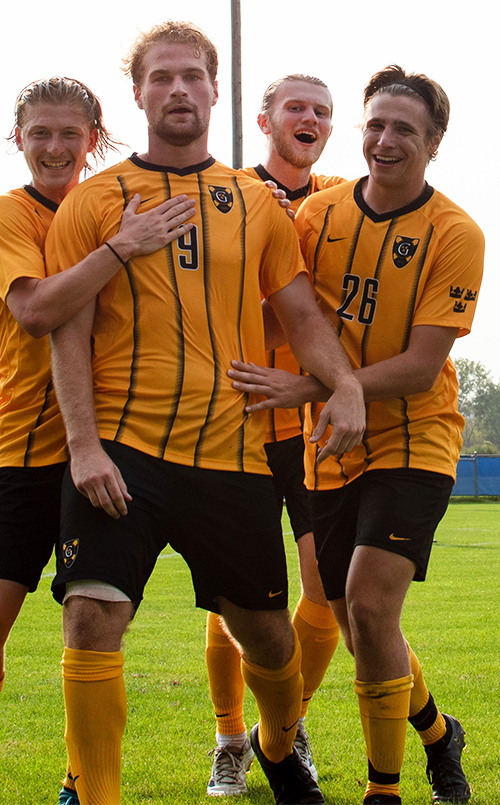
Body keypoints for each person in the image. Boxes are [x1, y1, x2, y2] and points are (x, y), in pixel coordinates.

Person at [44, 22, 366, 805]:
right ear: (139, 94)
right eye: (162, 78)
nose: (179, 90)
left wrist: (345, 384)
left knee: (266, 637)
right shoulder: (93, 201)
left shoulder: (255, 204)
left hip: (231, 456)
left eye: (193, 76)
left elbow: (298, 313)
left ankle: (279, 749)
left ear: (216, 91)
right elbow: (67, 333)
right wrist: (83, 447)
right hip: (122, 453)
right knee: (90, 618)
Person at [0, 77, 197, 805]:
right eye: (39, 132)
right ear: (18, 138)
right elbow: (37, 310)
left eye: (69, 134)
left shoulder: (114, 204)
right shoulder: (7, 213)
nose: (54, 146)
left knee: (94, 624)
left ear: (94, 138)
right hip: (20, 448)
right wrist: (121, 249)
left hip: (103, 450)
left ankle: (82, 779)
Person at [228, 65, 482, 804]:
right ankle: (439, 735)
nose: (385, 138)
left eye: (404, 127)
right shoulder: (318, 217)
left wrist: (316, 388)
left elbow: (422, 363)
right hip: (331, 445)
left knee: (370, 608)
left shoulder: (457, 233)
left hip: (417, 435)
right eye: (375, 123)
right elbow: (285, 315)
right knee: (352, 620)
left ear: (434, 142)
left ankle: (383, 790)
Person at [202, 73, 349, 797]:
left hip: (315, 417)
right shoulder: (230, 193)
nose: (310, 118)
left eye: (322, 110)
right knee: (236, 591)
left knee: (325, 587)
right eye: (296, 106)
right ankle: (231, 737)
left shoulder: (342, 199)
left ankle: (280, 731)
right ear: (264, 118)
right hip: (250, 415)